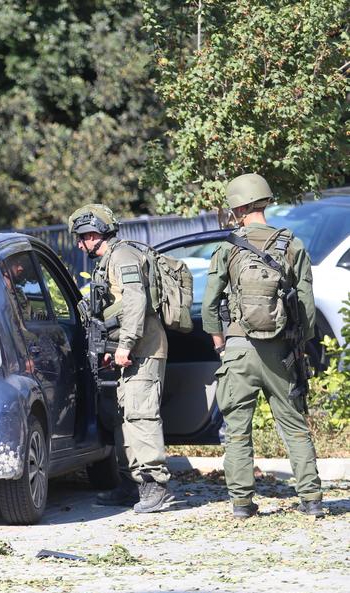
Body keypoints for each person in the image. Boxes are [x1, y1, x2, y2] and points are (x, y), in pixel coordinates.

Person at [201, 173, 324, 519]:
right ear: (265, 201)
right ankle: (312, 499)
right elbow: (306, 307)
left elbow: (210, 306)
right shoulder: (292, 244)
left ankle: (242, 504)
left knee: (237, 430)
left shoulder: (227, 248)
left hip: (238, 350)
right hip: (281, 352)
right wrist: (298, 346)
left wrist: (222, 346)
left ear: (237, 208)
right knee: (294, 425)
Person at [68, 204, 172, 513]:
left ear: (94, 233)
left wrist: (125, 344)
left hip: (143, 348)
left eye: (80, 238)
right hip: (123, 351)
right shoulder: (107, 261)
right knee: (122, 417)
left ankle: (155, 485)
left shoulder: (123, 256)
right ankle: (130, 484)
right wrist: (110, 349)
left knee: (142, 415)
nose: (79, 245)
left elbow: (136, 301)